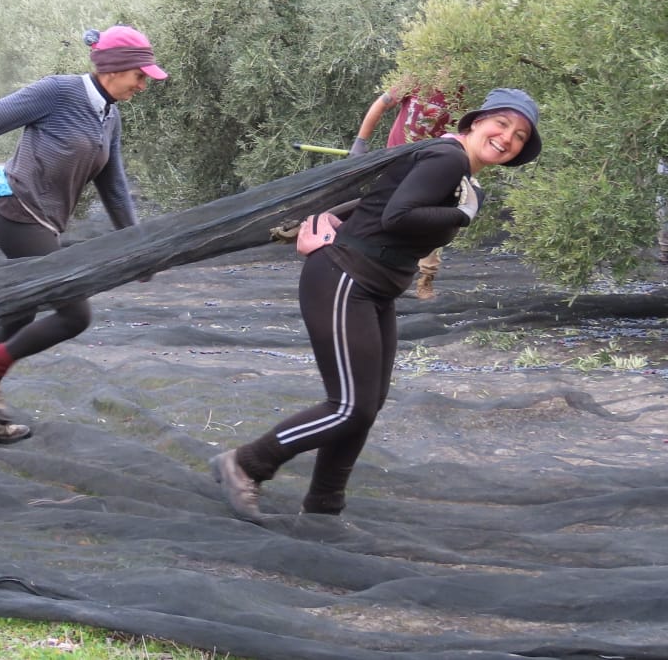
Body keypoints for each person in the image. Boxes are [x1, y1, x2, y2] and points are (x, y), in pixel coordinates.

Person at [213, 88, 542, 522]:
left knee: (366, 403)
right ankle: (246, 464)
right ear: (475, 123)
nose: (507, 138)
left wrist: (330, 218)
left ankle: (325, 504)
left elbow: (380, 199)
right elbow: (398, 216)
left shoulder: (458, 172)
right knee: (351, 405)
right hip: (344, 278)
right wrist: (461, 214)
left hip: (373, 287)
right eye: (501, 124)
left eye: (519, 135)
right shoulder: (450, 160)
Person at [0, 25, 168, 445]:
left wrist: (137, 247)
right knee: (75, 314)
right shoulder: (60, 92)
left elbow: (113, 185)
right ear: (115, 70)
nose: (144, 84)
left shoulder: (109, 117)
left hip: (45, 222)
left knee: (20, 312)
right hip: (18, 213)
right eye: (140, 75)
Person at [348, 77, 468, 299]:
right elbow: (381, 104)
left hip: (432, 168)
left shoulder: (464, 93)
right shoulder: (417, 78)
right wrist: (361, 141)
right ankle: (370, 266)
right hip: (397, 160)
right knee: (382, 212)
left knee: (429, 219)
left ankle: (425, 277)